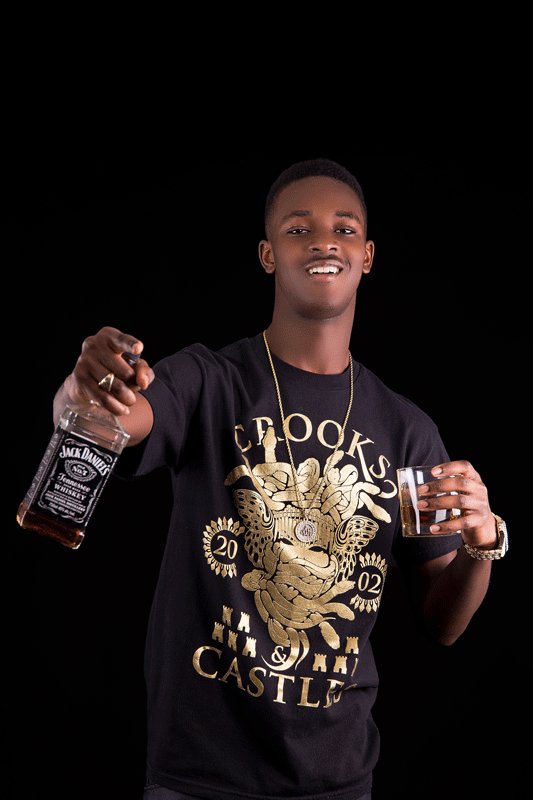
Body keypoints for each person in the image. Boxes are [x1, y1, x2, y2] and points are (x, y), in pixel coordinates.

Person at [52, 159, 507, 800]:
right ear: (268, 254)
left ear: (367, 256)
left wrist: (481, 545)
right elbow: (108, 422)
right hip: (198, 779)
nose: (324, 242)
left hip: (337, 782)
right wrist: (85, 389)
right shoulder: (208, 381)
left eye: (345, 229)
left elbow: (443, 623)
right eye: (299, 229)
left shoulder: (406, 430)